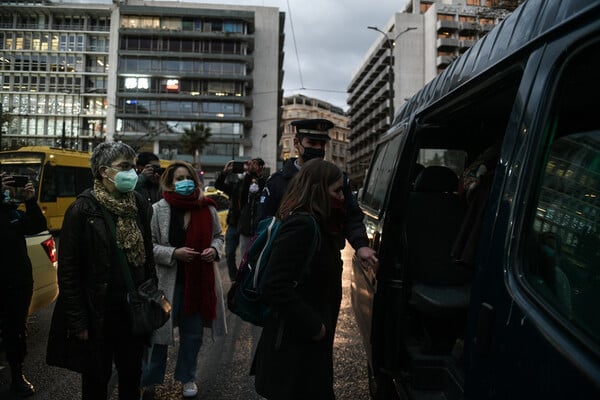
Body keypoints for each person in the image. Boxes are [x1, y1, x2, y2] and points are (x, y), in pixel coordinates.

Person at [46, 142, 156, 400]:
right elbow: (69, 272)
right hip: (98, 314)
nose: (132, 172)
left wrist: (151, 292)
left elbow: (147, 254)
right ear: (104, 171)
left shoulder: (137, 203)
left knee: (131, 376)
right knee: (96, 379)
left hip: (133, 309)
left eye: (133, 166)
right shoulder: (82, 209)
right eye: (125, 167)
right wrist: (78, 321)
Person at [252, 159, 346, 399]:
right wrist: (315, 327)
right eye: (337, 190)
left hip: (306, 348)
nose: (342, 197)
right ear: (318, 190)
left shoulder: (318, 223)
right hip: (294, 350)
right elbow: (273, 285)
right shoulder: (302, 225)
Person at [141, 161, 226, 399]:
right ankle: (151, 380)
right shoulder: (159, 209)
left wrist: (214, 249)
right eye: (178, 178)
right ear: (169, 182)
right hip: (168, 283)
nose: (183, 182)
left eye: (186, 177)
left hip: (199, 283)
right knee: (159, 335)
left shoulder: (207, 207)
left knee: (193, 335)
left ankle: (188, 377)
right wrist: (173, 253)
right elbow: (150, 246)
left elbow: (219, 237)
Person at [258, 118, 378, 269]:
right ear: (297, 143)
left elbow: (351, 216)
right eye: (312, 143)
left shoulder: (336, 179)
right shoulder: (277, 182)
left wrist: (360, 245)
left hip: (327, 264)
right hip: (287, 263)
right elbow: (265, 223)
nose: (318, 148)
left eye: (322, 144)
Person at [0, 172, 47, 397]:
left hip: (18, 284)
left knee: (16, 332)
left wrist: (30, 200)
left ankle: (17, 376)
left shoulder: (13, 212)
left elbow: (36, 225)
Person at [214, 158, 266, 280]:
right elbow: (219, 185)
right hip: (234, 223)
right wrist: (225, 172)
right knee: (230, 253)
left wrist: (254, 175)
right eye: (249, 163)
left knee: (248, 254)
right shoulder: (238, 185)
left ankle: (247, 277)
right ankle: (234, 278)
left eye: (254, 164)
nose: (250, 165)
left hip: (249, 226)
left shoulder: (261, 184)